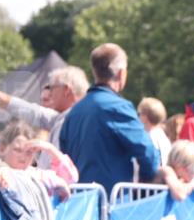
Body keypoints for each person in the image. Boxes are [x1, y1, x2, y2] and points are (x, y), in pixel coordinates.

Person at [59, 44, 160, 195]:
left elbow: (64, 156)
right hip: (109, 203)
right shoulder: (117, 107)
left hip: (79, 204)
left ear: (94, 71)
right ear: (121, 73)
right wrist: (147, 179)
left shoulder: (74, 112)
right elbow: (147, 152)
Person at [0, 62, 88, 170]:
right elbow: (26, 109)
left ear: (66, 90)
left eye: (52, 88)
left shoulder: (80, 120)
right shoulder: (60, 118)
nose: (49, 94)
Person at [0, 119, 77, 200]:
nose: (23, 156)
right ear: (2, 149)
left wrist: (50, 149)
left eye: (29, 152)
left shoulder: (39, 173)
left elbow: (72, 178)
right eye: (18, 150)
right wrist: (58, 183)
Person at [138, 97, 172, 166]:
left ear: (145, 117)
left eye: (139, 114)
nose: (138, 117)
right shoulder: (163, 137)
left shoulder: (148, 138)